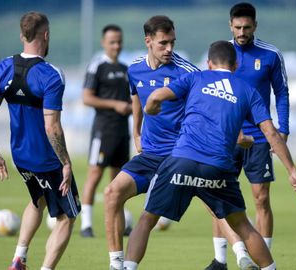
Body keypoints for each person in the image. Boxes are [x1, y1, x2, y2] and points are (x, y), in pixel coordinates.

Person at [123, 40, 296, 270]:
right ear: (236, 65)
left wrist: (150, 108)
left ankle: (127, 267)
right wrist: (292, 172)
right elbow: (271, 133)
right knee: (242, 225)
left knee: (147, 219)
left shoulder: (196, 78)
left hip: (182, 161)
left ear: (209, 64)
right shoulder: (248, 91)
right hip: (217, 167)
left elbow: (156, 96)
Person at [0, 11, 80, 270]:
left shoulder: (2, 68)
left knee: (38, 200)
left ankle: (18, 260)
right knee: (68, 216)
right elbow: (52, 126)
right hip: (47, 159)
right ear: (45, 35)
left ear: (22, 35)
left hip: (20, 156)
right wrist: (66, 163)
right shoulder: (51, 75)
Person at [103, 15, 199, 270]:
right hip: (151, 155)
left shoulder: (187, 72)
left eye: (172, 43)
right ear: (148, 41)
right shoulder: (134, 69)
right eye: (163, 43)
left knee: (219, 208)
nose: (169, 49)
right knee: (112, 194)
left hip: (180, 156)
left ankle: (239, 255)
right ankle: (116, 264)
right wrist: (136, 132)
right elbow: (136, 98)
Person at [206, 3, 291, 269]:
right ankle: (220, 261)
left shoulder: (270, 55)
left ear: (255, 26)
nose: (242, 32)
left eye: (247, 27)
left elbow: (282, 93)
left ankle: (264, 257)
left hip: (259, 138)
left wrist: (283, 129)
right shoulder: (221, 55)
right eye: (238, 27)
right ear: (230, 25)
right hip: (226, 137)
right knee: (218, 195)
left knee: (261, 198)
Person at [80, 24, 132, 238]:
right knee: (95, 174)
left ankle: (118, 222)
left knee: (118, 180)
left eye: (119, 41)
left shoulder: (125, 68)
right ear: (103, 43)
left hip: (122, 131)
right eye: (112, 42)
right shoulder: (97, 66)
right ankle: (86, 224)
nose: (116, 45)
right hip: (103, 130)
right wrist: (115, 105)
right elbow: (87, 98)